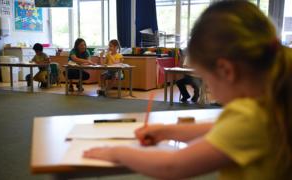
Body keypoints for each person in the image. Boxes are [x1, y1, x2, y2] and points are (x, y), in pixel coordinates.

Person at [83, 1, 292, 179]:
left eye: (206, 78)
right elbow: (218, 129)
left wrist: (117, 152)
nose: (207, 85)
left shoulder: (251, 115)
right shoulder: (271, 101)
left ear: (226, 71)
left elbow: (171, 166)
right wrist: (165, 131)